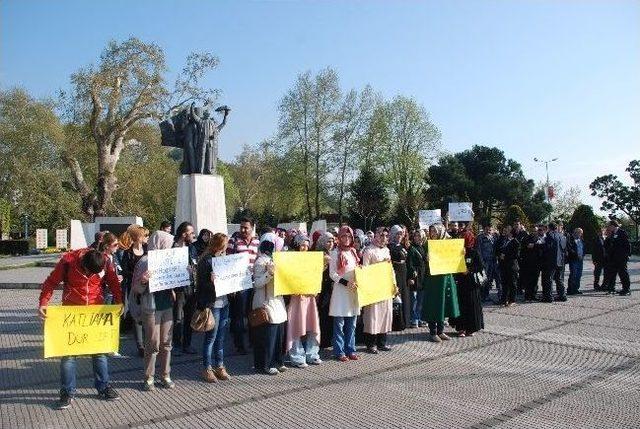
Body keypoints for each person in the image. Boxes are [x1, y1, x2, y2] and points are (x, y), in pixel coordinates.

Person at [38, 248, 122, 409]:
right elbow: (51, 282)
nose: (90, 276)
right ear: (82, 264)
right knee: (69, 356)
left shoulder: (105, 261)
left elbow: (113, 282)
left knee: (100, 352)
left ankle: (103, 387)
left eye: (94, 274)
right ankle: (67, 392)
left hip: (95, 313)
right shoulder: (67, 262)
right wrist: (43, 303)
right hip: (72, 314)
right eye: (88, 272)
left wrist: (119, 301)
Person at [131, 231, 177, 391]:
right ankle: (148, 377)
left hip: (167, 306)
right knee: (152, 343)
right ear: (160, 244)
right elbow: (136, 289)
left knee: (166, 342)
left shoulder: (170, 260)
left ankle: (165, 375)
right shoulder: (144, 261)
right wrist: (144, 280)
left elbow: (174, 281)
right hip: (151, 306)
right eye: (168, 244)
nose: (170, 247)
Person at [196, 232, 232, 382]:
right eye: (225, 244)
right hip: (213, 304)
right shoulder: (206, 260)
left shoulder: (223, 259)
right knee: (211, 337)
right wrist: (212, 282)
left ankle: (220, 366)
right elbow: (201, 286)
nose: (227, 247)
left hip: (224, 302)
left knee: (221, 337)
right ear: (218, 245)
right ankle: (207, 368)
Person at [252, 232, 288, 375]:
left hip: (278, 302)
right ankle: (266, 364)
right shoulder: (261, 261)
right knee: (268, 336)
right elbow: (257, 283)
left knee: (279, 334)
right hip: (266, 302)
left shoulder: (278, 260)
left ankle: (278, 361)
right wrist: (269, 274)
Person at [286, 234, 322, 367]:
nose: (305, 248)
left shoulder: (311, 260)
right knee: (296, 325)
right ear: (297, 246)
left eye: (307, 246)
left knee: (312, 325)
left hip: (309, 297)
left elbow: (316, 276)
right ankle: (297, 356)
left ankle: (312, 354)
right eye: (302, 245)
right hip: (296, 297)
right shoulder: (290, 260)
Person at [227, 217, 260, 354]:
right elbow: (227, 262)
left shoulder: (257, 242)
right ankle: (239, 345)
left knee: (252, 313)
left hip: (254, 282)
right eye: (241, 227)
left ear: (252, 227)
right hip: (239, 284)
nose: (243, 230)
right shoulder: (233, 241)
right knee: (239, 316)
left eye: (246, 227)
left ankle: (253, 342)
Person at [422, 224, 460, 343]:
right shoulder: (428, 244)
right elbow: (423, 260)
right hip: (433, 280)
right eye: (431, 231)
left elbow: (453, 257)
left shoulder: (447, 244)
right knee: (434, 305)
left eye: (434, 231)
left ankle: (440, 330)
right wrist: (426, 259)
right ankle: (433, 332)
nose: (432, 233)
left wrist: (461, 253)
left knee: (443, 304)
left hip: (445, 278)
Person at [361, 227, 395, 354]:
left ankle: (382, 342)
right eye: (381, 235)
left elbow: (390, 269)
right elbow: (365, 269)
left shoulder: (387, 250)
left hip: (385, 286)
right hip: (374, 287)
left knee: (385, 314)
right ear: (376, 236)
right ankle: (371, 343)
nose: (384, 238)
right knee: (373, 315)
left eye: (386, 236)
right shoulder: (369, 250)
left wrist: (394, 284)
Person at [329, 226, 361, 361]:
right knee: (339, 323)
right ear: (339, 238)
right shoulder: (335, 253)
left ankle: (351, 349)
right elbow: (332, 274)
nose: (346, 239)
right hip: (341, 291)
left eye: (348, 236)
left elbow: (357, 268)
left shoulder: (353, 252)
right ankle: (339, 351)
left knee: (352, 323)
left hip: (353, 291)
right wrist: (345, 283)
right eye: (343, 236)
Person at [451, 228, 484, 336]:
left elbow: (480, 267)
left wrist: (469, 271)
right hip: (460, 283)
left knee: (471, 306)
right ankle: (461, 328)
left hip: (471, 285)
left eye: (463, 238)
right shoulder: (457, 252)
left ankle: (471, 328)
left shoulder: (474, 252)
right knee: (461, 305)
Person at [122, 225, 149, 356]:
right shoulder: (127, 252)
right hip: (133, 288)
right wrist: (137, 275)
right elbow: (124, 270)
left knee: (147, 314)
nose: (146, 238)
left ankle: (148, 342)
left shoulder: (148, 250)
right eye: (144, 235)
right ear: (138, 237)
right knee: (135, 315)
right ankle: (140, 346)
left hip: (147, 287)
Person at [172, 221, 197, 355]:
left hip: (191, 288)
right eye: (191, 232)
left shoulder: (192, 248)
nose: (193, 235)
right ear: (183, 234)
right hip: (178, 289)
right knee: (178, 318)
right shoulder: (173, 248)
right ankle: (176, 345)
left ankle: (187, 344)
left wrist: (193, 269)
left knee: (189, 317)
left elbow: (195, 263)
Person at [389, 225, 411, 330]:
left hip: (404, 274)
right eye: (397, 233)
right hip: (395, 273)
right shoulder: (389, 247)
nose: (399, 236)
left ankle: (405, 322)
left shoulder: (403, 246)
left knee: (405, 298)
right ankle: (396, 324)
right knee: (396, 298)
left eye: (400, 234)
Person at [314, 231, 335, 349]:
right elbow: (316, 273)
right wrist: (324, 264)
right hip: (321, 288)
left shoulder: (332, 253)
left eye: (332, 241)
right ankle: (322, 341)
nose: (331, 243)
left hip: (331, 288)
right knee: (322, 314)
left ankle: (328, 339)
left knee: (329, 313)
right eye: (328, 241)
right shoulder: (318, 254)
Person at [540, 222, 568, 302]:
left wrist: (539, 245)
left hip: (551, 261)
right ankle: (562, 295)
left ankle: (548, 297)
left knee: (548, 279)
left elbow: (547, 248)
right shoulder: (562, 236)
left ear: (549, 228)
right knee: (559, 279)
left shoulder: (550, 235)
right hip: (561, 261)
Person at [603, 220, 632, 295]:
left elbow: (627, 244)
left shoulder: (622, 232)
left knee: (623, 273)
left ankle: (626, 289)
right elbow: (608, 245)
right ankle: (611, 289)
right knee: (612, 274)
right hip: (613, 258)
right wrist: (607, 238)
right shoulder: (612, 234)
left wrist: (628, 255)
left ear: (613, 225)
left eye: (609, 226)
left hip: (621, 257)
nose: (608, 227)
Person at [406, 229, 427, 328]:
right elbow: (409, 263)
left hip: (422, 276)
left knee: (421, 299)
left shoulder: (423, 248)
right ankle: (414, 319)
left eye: (419, 236)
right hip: (415, 276)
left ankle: (419, 317)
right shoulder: (412, 248)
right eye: (415, 236)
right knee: (414, 299)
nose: (417, 237)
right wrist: (411, 276)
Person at [521, 225, 545, 301]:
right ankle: (527, 295)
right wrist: (532, 246)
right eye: (532, 231)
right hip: (527, 262)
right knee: (527, 279)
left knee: (535, 280)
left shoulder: (540, 238)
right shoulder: (526, 238)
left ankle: (533, 295)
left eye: (535, 231)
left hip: (537, 262)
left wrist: (534, 246)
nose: (534, 232)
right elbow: (523, 247)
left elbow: (542, 248)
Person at [476, 224, 500, 301]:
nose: (488, 231)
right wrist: (481, 261)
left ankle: (487, 295)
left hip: (493, 261)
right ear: (483, 229)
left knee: (490, 279)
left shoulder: (494, 237)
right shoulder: (480, 238)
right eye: (486, 229)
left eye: (490, 230)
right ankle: (482, 296)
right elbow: (478, 250)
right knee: (483, 279)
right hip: (485, 261)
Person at [98, 232, 123, 305]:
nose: (117, 247)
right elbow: (99, 276)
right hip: (104, 291)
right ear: (107, 246)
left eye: (118, 244)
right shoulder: (101, 258)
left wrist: (120, 276)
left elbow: (117, 270)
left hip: (113, 290)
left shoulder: (114, 256)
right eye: (115, 245)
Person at [498, 225, 519, 306]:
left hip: (512, 266)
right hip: (504, 265)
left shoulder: (515, 242)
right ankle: (504, 300)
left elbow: (516, 255)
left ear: (510, 232)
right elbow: (499, 249)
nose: (505, 232)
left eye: (506, 230)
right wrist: (500, 255)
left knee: (512, 283)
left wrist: (505, 256)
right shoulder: (504, 240)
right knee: (504, 283)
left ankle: (512, 300)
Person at [567, 228, 585, 295]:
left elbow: (583, 248)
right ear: (575, 232)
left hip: (580, 260)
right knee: (573, 274)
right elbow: (570, 248)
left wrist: (582, 255)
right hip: (574, 259)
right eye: (579, 232)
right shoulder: (571, 239)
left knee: (579, 275)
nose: (580, 234)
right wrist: (577, 255)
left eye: (581, 233)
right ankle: (570, 289)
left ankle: (576, 289)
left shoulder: (581, 239)